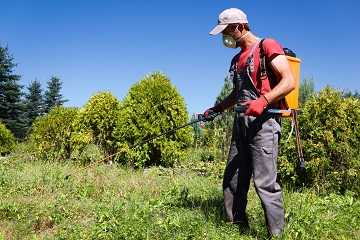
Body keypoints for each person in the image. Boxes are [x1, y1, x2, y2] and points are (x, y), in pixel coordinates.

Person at [205, 8, 295, 236]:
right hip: (241, 124)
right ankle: (236, 226)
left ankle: (276, 234)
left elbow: (288, 81)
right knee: (233, 177)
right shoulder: (236, 59)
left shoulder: (267, 46)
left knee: (265, 182)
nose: (225, 37)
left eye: (226, 31)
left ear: (239, 27)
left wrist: (263, 101)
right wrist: (217, 108)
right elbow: (237, 94)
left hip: (264, 123)